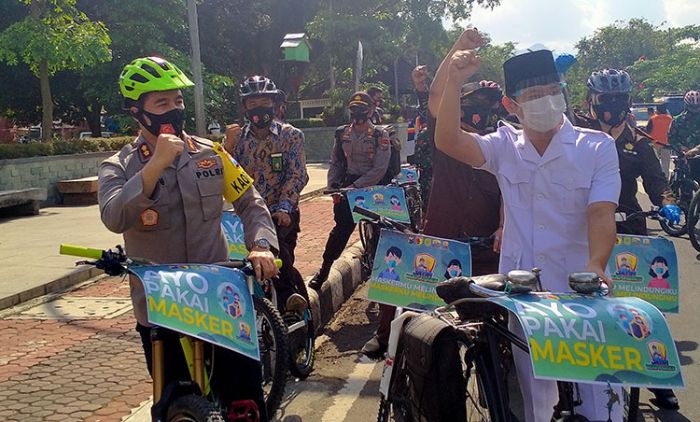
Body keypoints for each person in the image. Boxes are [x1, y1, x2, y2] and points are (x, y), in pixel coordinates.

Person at [434, 32, 624, 421]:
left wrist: (597, 264)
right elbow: (449, 140)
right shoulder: (504, 147)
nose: (546, 100)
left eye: (552, 90)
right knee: (537, 400)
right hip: (525, 297)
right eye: (534, 94)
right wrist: (454, 80)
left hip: (583, 291)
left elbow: (601, 213)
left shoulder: (596, 147)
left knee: (600, 400)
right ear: (512, 104)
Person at [99, 57, 279, 420]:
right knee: (173, 403)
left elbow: (250, 202)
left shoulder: (212, 155)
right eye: (162, 103)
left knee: (244, 402)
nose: (174, 110)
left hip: (219, 297)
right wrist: (154, 166)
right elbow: (114, 216)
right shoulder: (118, 166)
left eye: (178, 101)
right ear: (137, 110)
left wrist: (261, 245)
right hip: (163, 304)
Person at [363, 31, 504, 358]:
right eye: (473, 108)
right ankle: (386, 335)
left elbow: (512, 197)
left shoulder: (505, 146)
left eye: (488, 109)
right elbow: (438, 95)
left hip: (486, 251)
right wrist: (459, 49)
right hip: (439, 242)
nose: (480, 117)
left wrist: (504, 227)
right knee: (396, 276)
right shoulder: (448, 139)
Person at [224, 75, 310, 314]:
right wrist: (227, 147)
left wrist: (284, 208)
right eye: (252, 104)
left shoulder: (291, 135)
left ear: (275, 104)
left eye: (264, 102)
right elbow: (222, 173)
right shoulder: (237, 138)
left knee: (279, 257)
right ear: (244, 107)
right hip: (246, 215)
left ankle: (292, 305)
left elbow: (297, 175)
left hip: (280, 213)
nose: (258, 109)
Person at [574, 68, 680, 237]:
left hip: (627, 222)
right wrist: (556, 81)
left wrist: (667, 202)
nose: (614, 102)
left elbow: (655, 179)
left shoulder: (639, 142)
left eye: (621, 97)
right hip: (579, 224)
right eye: (605, 98)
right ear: (590, 100)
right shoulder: (575, 130)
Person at [309, 92, 391, 290]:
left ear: (370, 111)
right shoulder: (342, 133)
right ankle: (324, 269)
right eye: (354, 110)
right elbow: (336, 162)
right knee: (340, 230)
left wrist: (356, 187)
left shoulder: (380, 134)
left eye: (362, 110)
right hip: (348, 185)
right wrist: (333, 186)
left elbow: (380, 169)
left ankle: (385, 279)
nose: (357, 115)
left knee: (382, 233)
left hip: (373, 187)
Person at [670, 91, 700, 182]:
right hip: (683, 157)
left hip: (698, 156)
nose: (695, 110)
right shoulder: (678, 120)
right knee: (679, 181)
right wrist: (681, 148)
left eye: (697, 107)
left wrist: (696, 150)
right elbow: (671, 137)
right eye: (692, 107)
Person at [646, 104, 674, 177]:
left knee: (654, 163)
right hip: (666, 144)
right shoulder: (670, 119)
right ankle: (665, 181)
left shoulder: (653, 119)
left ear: (657, 110)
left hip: (655, 144)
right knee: (665, 164)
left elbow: (648, 131)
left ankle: (655, 178)